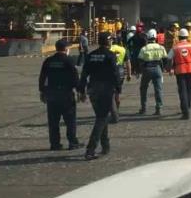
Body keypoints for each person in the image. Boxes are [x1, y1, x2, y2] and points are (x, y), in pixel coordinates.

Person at [78, 32, 121, 161]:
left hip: (93, 90)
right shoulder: (110, 55)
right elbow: (115, 73)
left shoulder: (91, 55)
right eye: (110, 40)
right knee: (102, 118)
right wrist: (118, 89)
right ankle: (90, 149)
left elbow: (84, 74)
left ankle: (105, 145)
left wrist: (81, 90)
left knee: (101, 116)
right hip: (105, 90)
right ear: (108, 41)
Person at [39, 38, 80, 151]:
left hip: (51, 94)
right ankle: (72, 143)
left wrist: (42, 91)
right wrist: (80, 91)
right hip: (66, 94)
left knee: (53, 122)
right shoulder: (69, 61)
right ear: (66, 49)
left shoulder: (48, 61)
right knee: (70, 121)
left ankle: (55, 144)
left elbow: (42, 77)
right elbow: (75, 77)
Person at [168, 28, 191, 119]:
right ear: (187, 37)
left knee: (182, 90)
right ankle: (188, 106)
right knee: (189, 88)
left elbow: (170, 58)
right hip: (190, 69)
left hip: (179, 70)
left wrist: (171, 69)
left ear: (179, 37)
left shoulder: (175, 47)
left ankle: (185, 111)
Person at [137, 29, 168, 116]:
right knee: (158, 89)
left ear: (147, 37)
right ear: (155, 37)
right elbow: (165, 59)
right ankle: (159, 108)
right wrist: (163, 68)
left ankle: (144, 108)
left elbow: (139, 60)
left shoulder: (144, 48)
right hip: (157, 68)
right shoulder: (161, 47)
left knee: (143, 88)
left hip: (147, 68)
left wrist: (141, 69)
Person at [109, 34, 131, 123]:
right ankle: (116, 110)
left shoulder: (109, 49)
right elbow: (128, 63)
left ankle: (112, 113)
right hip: (120, 72)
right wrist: (129, 74)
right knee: (117, 94)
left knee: (110, 94)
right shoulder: (123, 49)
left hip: (110, 72)